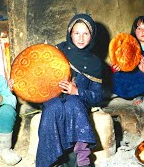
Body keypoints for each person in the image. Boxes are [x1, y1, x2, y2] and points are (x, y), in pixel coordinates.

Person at [36, 14, 103, 167]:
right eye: (76, 33)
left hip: (79, 100)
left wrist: (77, 91)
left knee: (73, 104)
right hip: (53, 98)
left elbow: (98, 96)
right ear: (69, 33)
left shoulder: (95, 62)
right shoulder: (57, 52)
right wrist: (19, 83)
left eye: (86, 33)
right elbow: (39, 78)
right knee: (54, 108)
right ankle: (51, 162)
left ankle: (83, 161)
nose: (81, 38)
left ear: (92, 36)